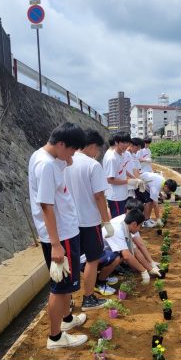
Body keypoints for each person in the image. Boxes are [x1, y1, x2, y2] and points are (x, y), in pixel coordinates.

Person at [28, 122, 88, 349]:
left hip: (63, 232)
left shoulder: (47, 158)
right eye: (72, 149)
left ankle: (67, 320)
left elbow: (67, 162)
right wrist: (56, 244)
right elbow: (46, 206)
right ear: (61, 144)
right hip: (60, 236)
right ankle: (55, 338)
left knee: (64, 285)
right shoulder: (46, 165)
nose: (73, 156)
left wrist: (68, 157)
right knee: (60, 288)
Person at [64, 128, 114, 311]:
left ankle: (67, 302)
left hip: (68, 222)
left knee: (70, 262)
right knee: (92, 260)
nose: (98, 153)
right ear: (92, 146)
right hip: (89, 221)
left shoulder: (65, 161)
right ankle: (88, 298)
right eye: (98, 149)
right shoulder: (92, 165)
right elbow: (99, 196)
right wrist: (106, 221)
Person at [97, 209, 156, 290]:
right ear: (134, 224)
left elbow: (135, 251)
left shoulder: (125, 226)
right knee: (117, 257)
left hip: (101, 254)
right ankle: (99, 282)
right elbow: (127, 256)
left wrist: (151, 269)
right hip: (90, 258)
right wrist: (143, 271)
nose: (140, 228)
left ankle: (104, 275)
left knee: (120, 255)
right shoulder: (117, 230)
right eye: (140, 225)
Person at [103, 132, 143, 217]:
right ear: (116, 142)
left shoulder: (121, 154)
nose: (125, 145)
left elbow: (123, 169)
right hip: (115, 196)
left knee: (122, 218)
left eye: (127, 142)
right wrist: (128, 181)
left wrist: (135, 179)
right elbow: (110, 180)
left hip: (122, 194)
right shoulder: (112, 158)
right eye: (123, 142)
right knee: (117, 220)